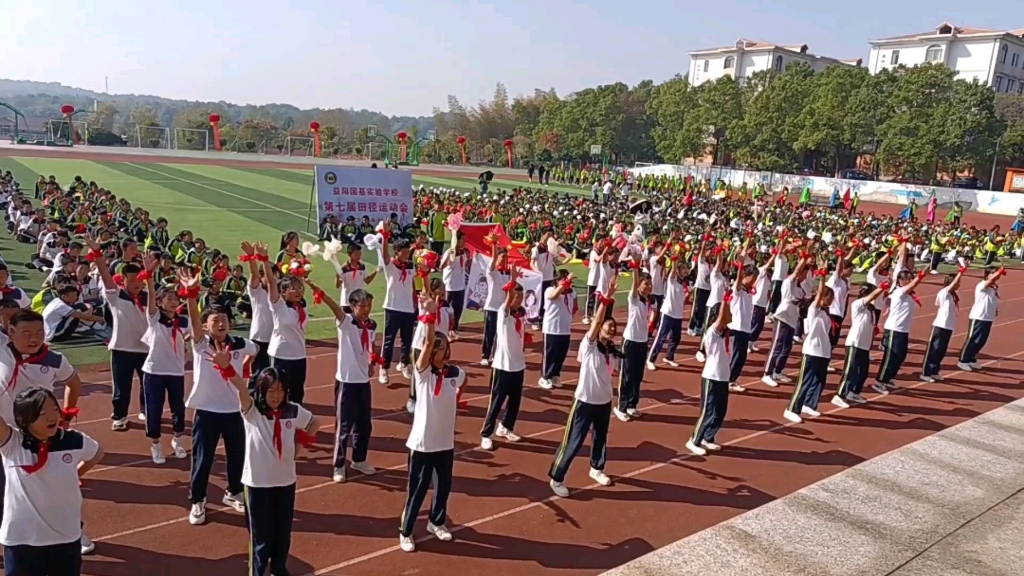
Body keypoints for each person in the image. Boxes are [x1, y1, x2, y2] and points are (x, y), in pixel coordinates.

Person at [180, 268, 256, 525]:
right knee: (203, 459)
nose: (221, 324)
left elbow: (254, 349)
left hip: (234, 410)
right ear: (205, 325)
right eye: (215, 320)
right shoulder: (202, 344)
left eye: (224, 319)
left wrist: (245, 366)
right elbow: (192, 318)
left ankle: (233, 492)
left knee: (237, 456)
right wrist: (191, 294)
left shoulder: (238, 343)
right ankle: (198, 500)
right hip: (207, 411)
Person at [0, 387, 104, 574]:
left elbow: (97, 454)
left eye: (55, 409)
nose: (52, 417)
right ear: (25, 420)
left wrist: (77, 473)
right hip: (22, 539)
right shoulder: (12, 444)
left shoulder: (74, 440)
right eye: (42, 413)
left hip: (65, 537)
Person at [400, 295, 465, 553]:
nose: (440, 350)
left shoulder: (454, 373)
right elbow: (426, 342)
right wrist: (428, 315)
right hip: (423, 443)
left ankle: (436, 521)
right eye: (437, 348)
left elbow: (464, 381)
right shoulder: (423, 373)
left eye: (443, 347)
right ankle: (406, 531)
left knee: (443, 487)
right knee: (416, 490)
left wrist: (458, 396)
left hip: (445, 442)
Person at [548, 280, 618, 498]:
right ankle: (556, 477)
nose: (612, 330)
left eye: (614, 327)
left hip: (603, 401)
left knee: (600, 438)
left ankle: (597, 468)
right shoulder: (589, 346)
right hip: (584, 401)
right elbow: (596, 321)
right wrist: (605, 299)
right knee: (574, 440)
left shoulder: (612, 352)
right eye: (609, 327)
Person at [85, 238, 148, 430]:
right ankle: (119, 416)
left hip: (146, 349)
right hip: (121, 348)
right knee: (122, 387)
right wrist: (97, 254)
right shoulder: (116, 296)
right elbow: (105, 275)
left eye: (140, 279)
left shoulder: (149, 298)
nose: (137, 283)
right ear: (124, 280)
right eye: (132, 279)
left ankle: (147, 411)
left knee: (148, 385)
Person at [140, 255, 189, 464]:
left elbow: (193, 331)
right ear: (160, 303)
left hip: (176, 371)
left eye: (176, 299)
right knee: (154, 409)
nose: (173, 301)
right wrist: (149, 276)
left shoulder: (183, 321)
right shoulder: (154, 318)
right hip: (154, 371)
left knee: (179, 407)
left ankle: (177, 440)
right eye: (168, 299)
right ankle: (156, 445)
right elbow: (150, 296)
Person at [480, 265, 526, 450]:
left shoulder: (520, 314)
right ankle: (486, 434)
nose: (518, 300)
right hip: (502, 366)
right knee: (496, 402)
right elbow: (507, 304)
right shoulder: (503, 312)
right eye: (516, 296)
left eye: (521, 297)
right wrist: (512, 280)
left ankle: (506, 427)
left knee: (515, 402)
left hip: (518, 365)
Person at [258, 243, 310, 405]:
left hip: (299, 355)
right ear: (283, 292)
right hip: (282, 355)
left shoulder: (301, 307)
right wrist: (265, 260)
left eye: (299, 288)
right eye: (292, 289)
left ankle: (293, 425)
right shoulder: (278, 306)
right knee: (278, 392)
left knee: (297, 393)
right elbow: (272, 283)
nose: (297, 291)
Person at [686, 288, 734, 456]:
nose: (731, 314)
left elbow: (724, 319)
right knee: (708, 410)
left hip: (723, 377)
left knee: (720, 410)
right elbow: (721, 317)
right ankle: (694, 440)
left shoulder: (728, 334)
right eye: (728, 312)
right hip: (711, 377)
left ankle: (708, 437)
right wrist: (725, 300)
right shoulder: (712, 333)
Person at [784, 273, 834, 424]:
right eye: (829, 296)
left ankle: (809, 404)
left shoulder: (826, 313)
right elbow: (818, 295)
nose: (831, 300)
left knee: (819, 380)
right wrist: (823, 278)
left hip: (824, 351)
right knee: (804, 381)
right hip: (812, 350)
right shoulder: (814, 310)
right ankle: (791, 409)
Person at [832, 283, 887, 407]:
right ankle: (840, 395)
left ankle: (853, 391)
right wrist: (882, 288)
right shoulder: (857, 304)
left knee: (863, 372)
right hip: (854, 343)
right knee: (850, 370)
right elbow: (871, 297)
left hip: (865, 345)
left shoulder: (871, 310)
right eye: (871, 293)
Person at [874, 267, 927, 394]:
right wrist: (921, 276)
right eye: (905, 279)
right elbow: (911, 286)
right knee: (891, 356)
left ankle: (889, 378)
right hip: (894, 329)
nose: (908, 281)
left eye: (910, 278)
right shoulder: (899, 292)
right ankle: (879, 381)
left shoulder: (909, 295)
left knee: (900, 356)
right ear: (899, 281)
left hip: (903, 330)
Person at [762, 254, 810, 387]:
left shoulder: (802, 288)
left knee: (787, 347)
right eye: (804, 273)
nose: (806, 276)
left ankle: (778, 370)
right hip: (783, 317)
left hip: (792, 319)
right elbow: (795, 272)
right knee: (777, 345)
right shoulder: (788, 283)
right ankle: (767, 373)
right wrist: (804, 257)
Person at [378, 221, 417, 384]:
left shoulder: (411, 266)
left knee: (407, 340)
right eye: (404, 252)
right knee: (389, 340)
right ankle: (384, 368)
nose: (407, 254)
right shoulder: (390, 265)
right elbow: (385, 254)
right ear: (397, 252)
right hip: (393, 306)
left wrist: (415, 301)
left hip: (407, 307)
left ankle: (404, 364)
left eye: (409, 251)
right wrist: (385, 236)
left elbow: (412, 284)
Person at [616, 256, 653, 421]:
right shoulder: (634, 298)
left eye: (650, 284)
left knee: (638, 375)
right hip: (630, 341)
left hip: (642, 342)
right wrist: (636, 267)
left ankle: (632, 404)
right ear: (639, 285)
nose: (649, 287)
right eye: (646, 284)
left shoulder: (647, 301)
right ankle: (621, 406)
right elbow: (634, 284)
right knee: (627, 375)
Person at [921, 266, 967, 383]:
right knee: (934, 349)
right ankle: (926, 373)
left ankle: (935, 371)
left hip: (948, 326)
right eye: (958, 282)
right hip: (940, 326)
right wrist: (961, 272)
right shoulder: (944, 292)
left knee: (941, 350)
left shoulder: (952, 295)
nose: (959, 284)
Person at [647, 247, 689, 369]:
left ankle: (669, 356)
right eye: (683, 269)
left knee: (676, 337)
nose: (685, 271)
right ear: (678, 271)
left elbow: (683, 300)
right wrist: (675, 261)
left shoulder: (684, 283)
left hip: (678, 314)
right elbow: (673, 271)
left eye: (686, 269)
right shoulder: (673, 280)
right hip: (668, 312)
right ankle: (651, 359)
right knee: (661, 337)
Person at [958, 266, 1004, 372]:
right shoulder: (982, 285)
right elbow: (991, 280)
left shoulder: (994, 287)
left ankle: (972, 358)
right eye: (993, 273)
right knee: (973, 339)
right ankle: (963, 360)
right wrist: (1000, 271)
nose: (996, 276)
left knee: (981, 340)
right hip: (978, 316)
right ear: (987, 275)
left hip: (988, 317)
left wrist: (994, 309)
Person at [539, 269, 576, 390]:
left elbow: (574, 306)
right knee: (550, 354)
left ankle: (554, 375)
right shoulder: (550, 290)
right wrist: (565, 283)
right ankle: (545, 377)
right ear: (557, 280)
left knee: (560, 355)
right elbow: (554, 295)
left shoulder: (571, 292)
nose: (567, 282)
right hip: (552, 328)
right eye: (563, 279)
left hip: (565, 329)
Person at [480, 245, 511, 365]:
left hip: (503, 308)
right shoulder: (492, 271)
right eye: (503, 257)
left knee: (500, 333)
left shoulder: (508, 273)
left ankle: (496, 355)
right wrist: (494, 243)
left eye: (506, 257)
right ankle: (485, 356)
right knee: (490, 333)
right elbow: (493, 258)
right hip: (492, 307)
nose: (505, 259)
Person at [440, 231, 468, 340]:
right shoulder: (449, 252)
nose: (464, 242)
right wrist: (448, 258)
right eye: (462, 239)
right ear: (457, 240)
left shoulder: (463, 253)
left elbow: (466, 265)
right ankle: (446, 331)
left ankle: (454, 330)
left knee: (458, 310)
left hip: (460, 285)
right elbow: (441, 266)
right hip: (450, 285)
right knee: (447, 309)